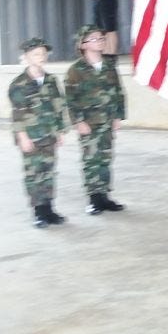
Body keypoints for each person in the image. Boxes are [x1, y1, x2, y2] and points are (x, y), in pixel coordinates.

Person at [65, 24, 127, 215]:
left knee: (106, 158)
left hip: (107, 120)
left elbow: (118, 91)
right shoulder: (76, 70)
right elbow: (70, 98)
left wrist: (118, 115)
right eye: (94, 38)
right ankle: (94, 199)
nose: (100, 41)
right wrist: (78, 121)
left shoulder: (109, 65)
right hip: (89, 123)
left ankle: (105, 196)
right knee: (91, 159)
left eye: (101, 38)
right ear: (83, 44)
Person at [9, 37, 68, 228]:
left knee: (49, 172)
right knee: (34, 173)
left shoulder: (51, 80)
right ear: (26, 57)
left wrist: (60, 131)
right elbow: (17, 114)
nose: (41, 57)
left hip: (49, 134)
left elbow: (59, 107)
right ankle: (39, 212)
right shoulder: (19, 84)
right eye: (36, 54)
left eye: (43, 53)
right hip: (31, 136)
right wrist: (22, 137)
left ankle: (49, 209)